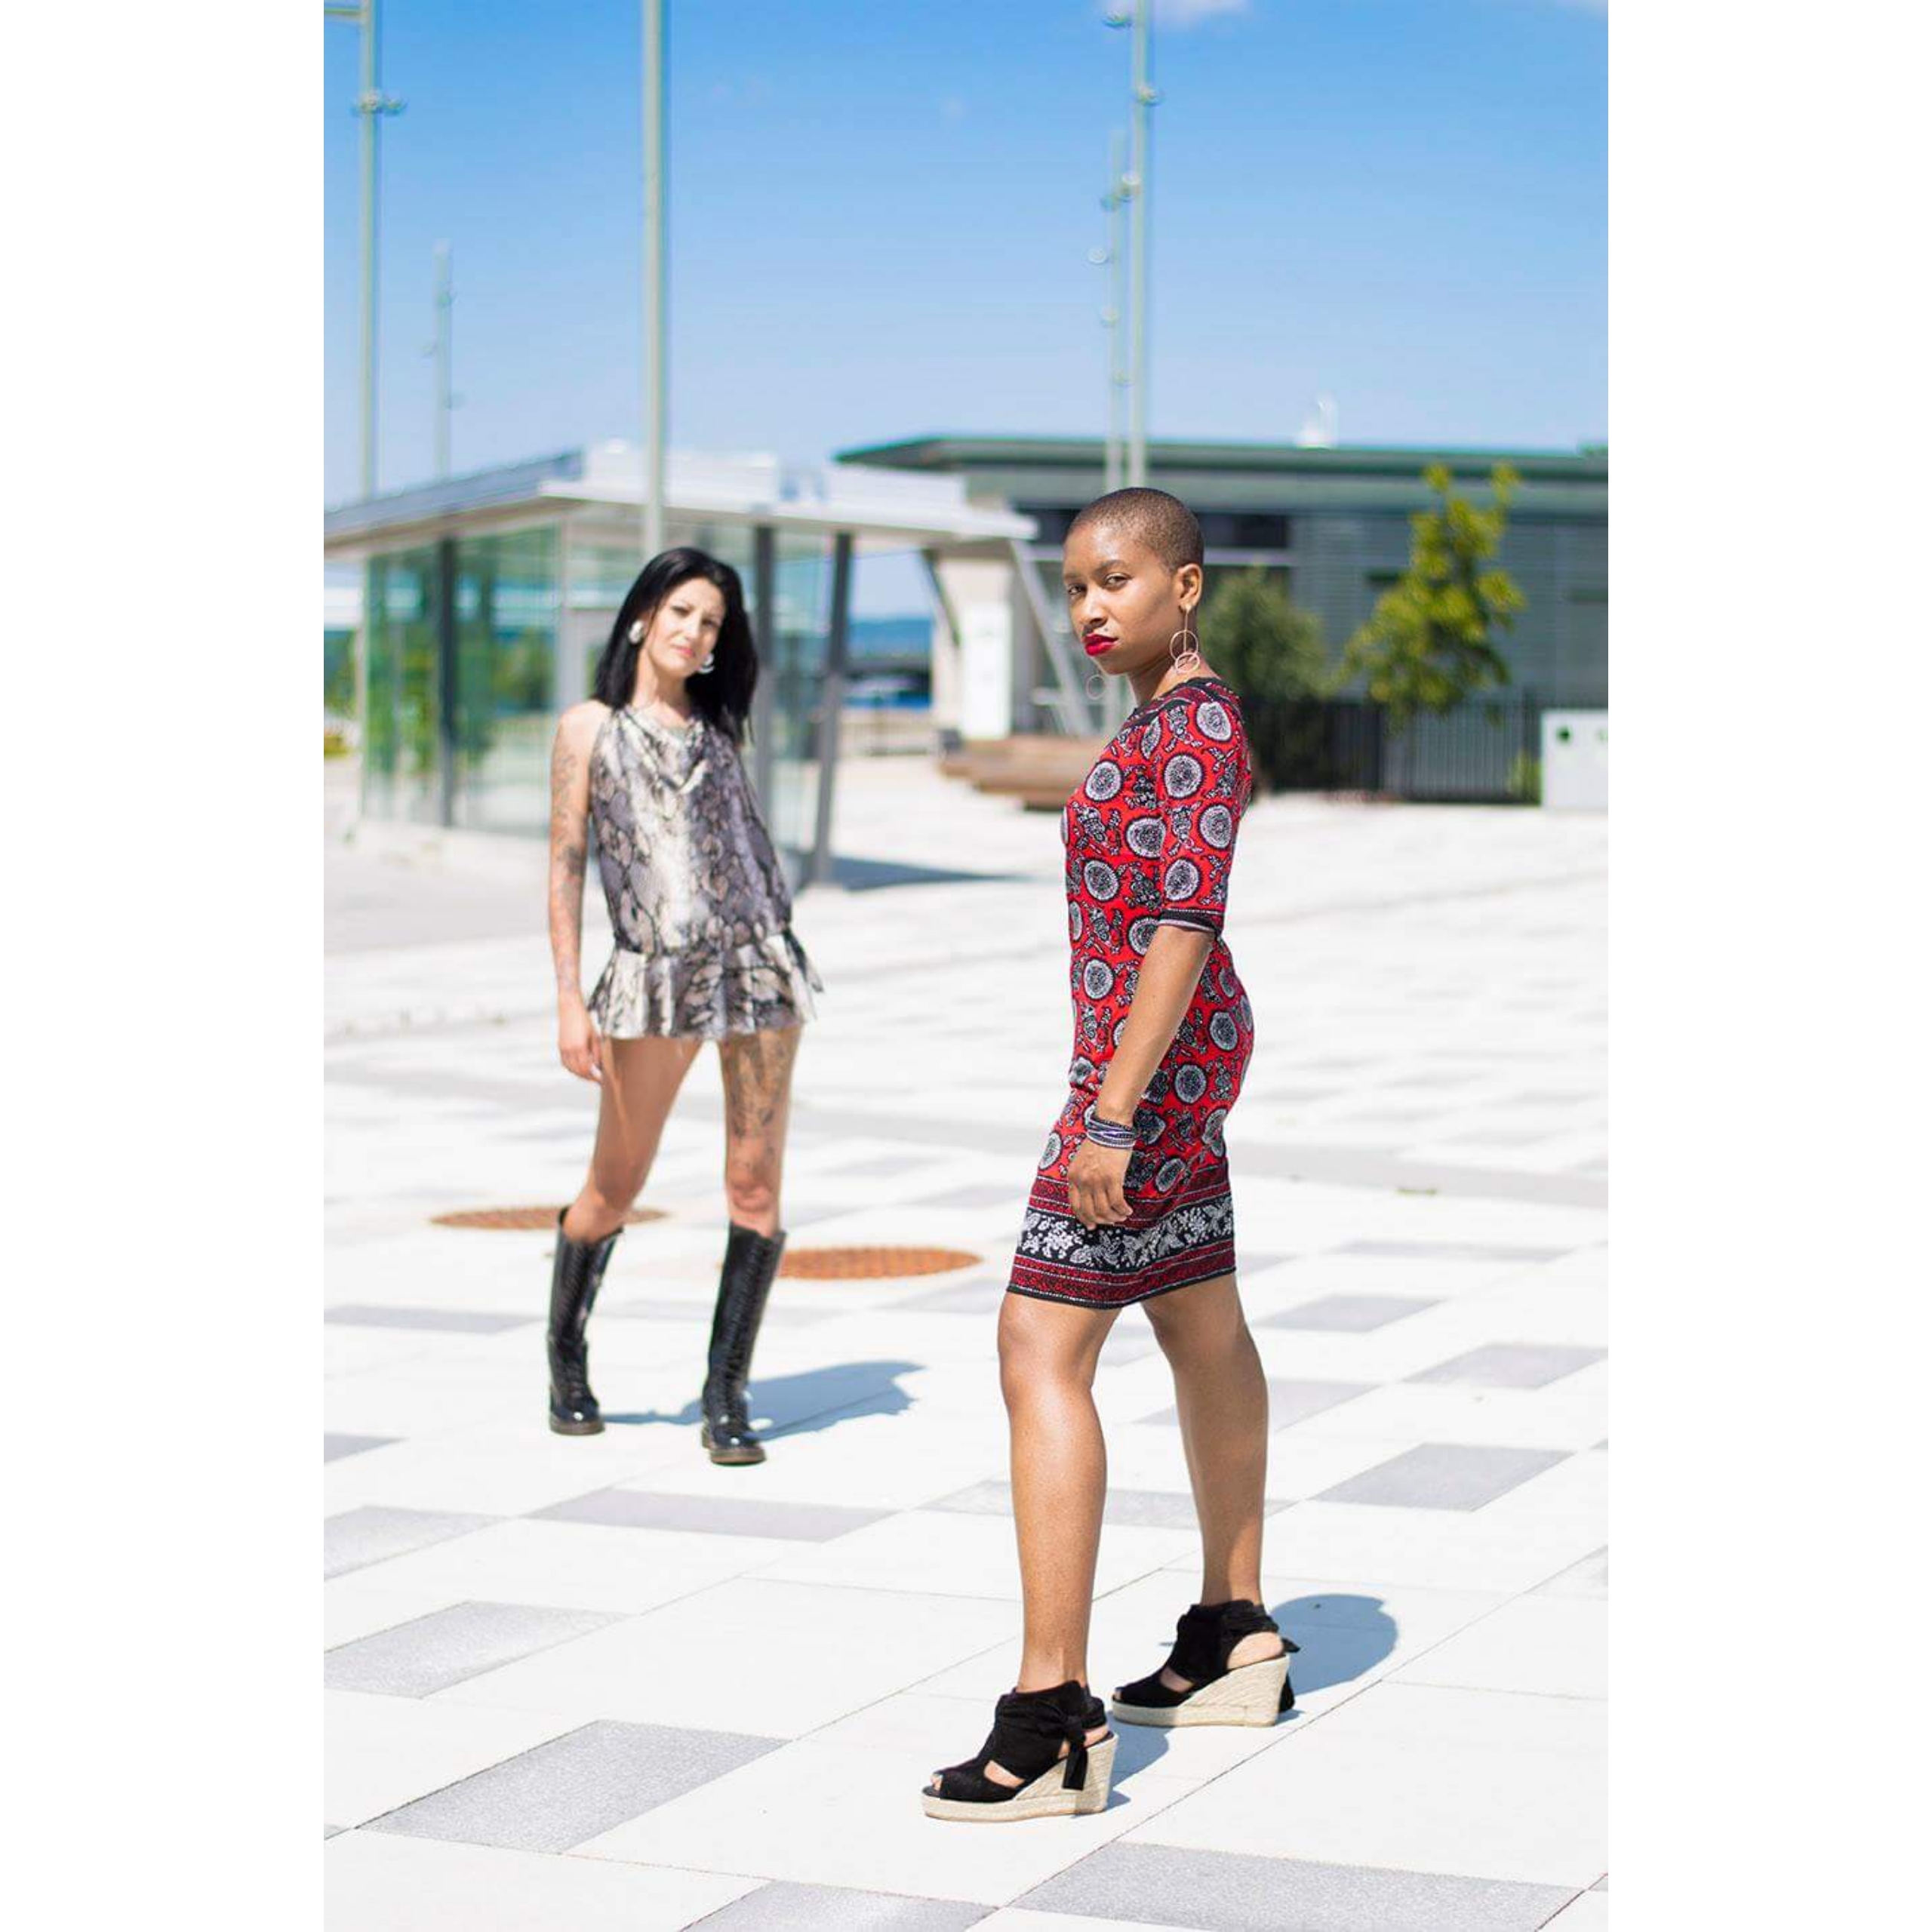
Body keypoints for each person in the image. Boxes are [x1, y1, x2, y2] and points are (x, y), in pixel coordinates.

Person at [923, 488, 1295, 1825]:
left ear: (1185, 588)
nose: (1090, 606)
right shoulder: (1158, 720)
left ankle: (1052, 1718)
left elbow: (1187, 921)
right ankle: (1233, 1632)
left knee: (1039, 1347)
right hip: (1172, 1066)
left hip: (1147, 1081)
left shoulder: (1194, 728)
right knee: (1199, 1321)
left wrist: (1116, 1115)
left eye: (1117, 580)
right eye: (1077, 584)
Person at [544, 546, 820, 1465]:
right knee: (614, 1187)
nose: (695, 632)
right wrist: (568, 1000)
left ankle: (725, 1396)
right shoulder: (588, 728)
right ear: (642, 615)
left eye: (711, 623)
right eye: (682, 612)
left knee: (755, 1185)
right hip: (652, 981)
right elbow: (565, 866)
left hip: (758, 972)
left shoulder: (718, 730)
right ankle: (566, 1353)